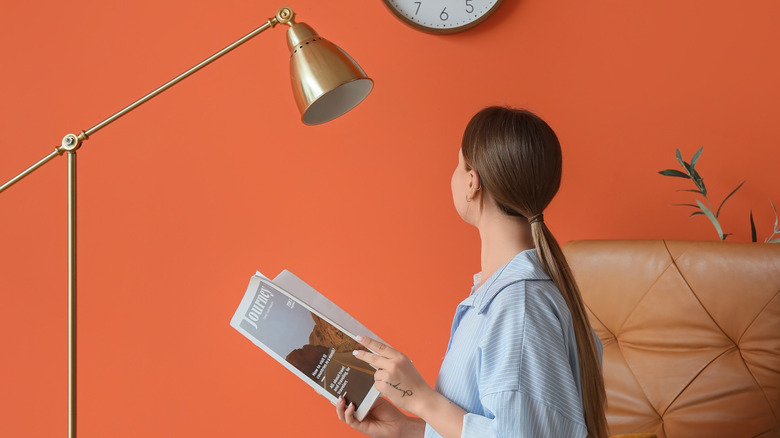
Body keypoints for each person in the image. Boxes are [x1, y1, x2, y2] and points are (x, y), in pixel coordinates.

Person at [335, 106, 609, 438]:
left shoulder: (518, 309)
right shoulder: (503, 298)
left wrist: (422, 399)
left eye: (458, 163)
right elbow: (494, 426)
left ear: (472, 182)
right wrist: (407, 429)